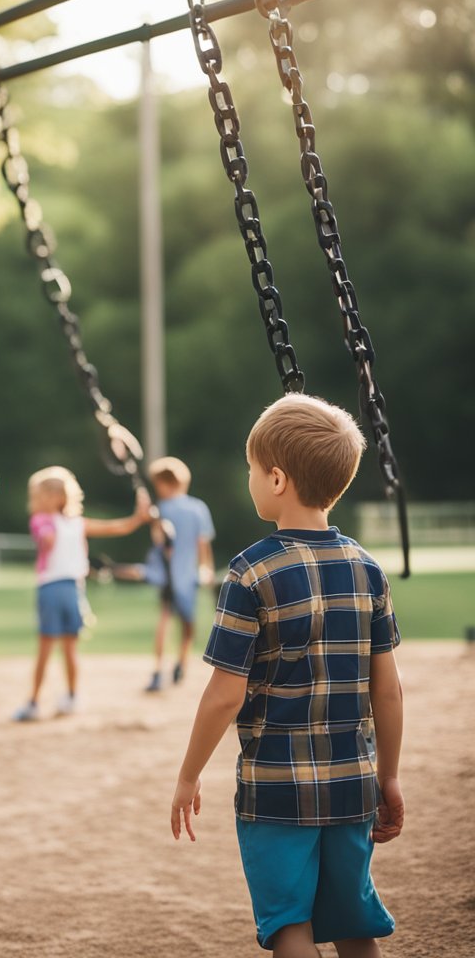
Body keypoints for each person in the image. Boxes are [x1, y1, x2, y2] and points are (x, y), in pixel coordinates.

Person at [170, 394, 404, 958]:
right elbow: (389, 691)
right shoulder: (366, 568)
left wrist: (187, 776)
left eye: (251, 469)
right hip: (353, 784)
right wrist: (388, 778)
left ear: (276, 479)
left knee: (289, 927)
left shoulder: (249, 573)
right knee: (355, 927)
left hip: (276, 792)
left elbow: (224, 697)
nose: (247, 478)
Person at [12, 466, 151, 721]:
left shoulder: (75, 523)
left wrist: (138, 517)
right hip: (56, 589)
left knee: (67, 648)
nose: (35, 501)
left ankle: (67, 697)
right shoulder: (42, 521)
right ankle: (38, 701)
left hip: (67, 590)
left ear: (54, 496)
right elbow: (46, 540)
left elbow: (117, 527)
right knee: (50, 648)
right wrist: (47, 531)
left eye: (39, 495)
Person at [111, 456, 215, 692]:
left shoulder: (161, 510)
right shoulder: (198, 508)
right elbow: (203, 544)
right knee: (188, 624)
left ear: (166, 484)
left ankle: (158, 671)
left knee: (164, 621)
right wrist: (205, 568)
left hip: (167, 576)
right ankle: (181, 663)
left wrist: (147, 513)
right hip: (188, 576)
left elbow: (159, 540)